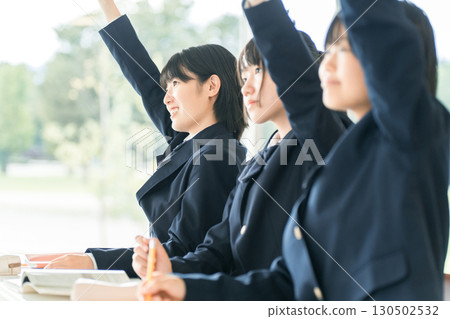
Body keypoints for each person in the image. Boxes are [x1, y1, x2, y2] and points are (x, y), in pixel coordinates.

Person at [139, 0, 450, 301]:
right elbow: (287, 286)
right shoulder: (331, 169)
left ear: (391, 55)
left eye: (343, 49)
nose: (325, 63)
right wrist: (183, 286)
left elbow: (298, 81)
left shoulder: (414, 135)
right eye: (328, 51)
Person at [45, 0, 247, 277]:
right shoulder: (191, 142)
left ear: (211, 86)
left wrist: (94, 262)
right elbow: (144, 79)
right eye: (166, 86)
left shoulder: (217, 155)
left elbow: (182, 251)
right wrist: (107, 6)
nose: (167, 97)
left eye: (175, 83)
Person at [130, 36, 346, 280]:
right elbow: (216, 251)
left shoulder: (313, 147)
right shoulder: (254, 165)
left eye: (258, 70)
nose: (246, 88)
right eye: (243, 78)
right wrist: (168, 273)